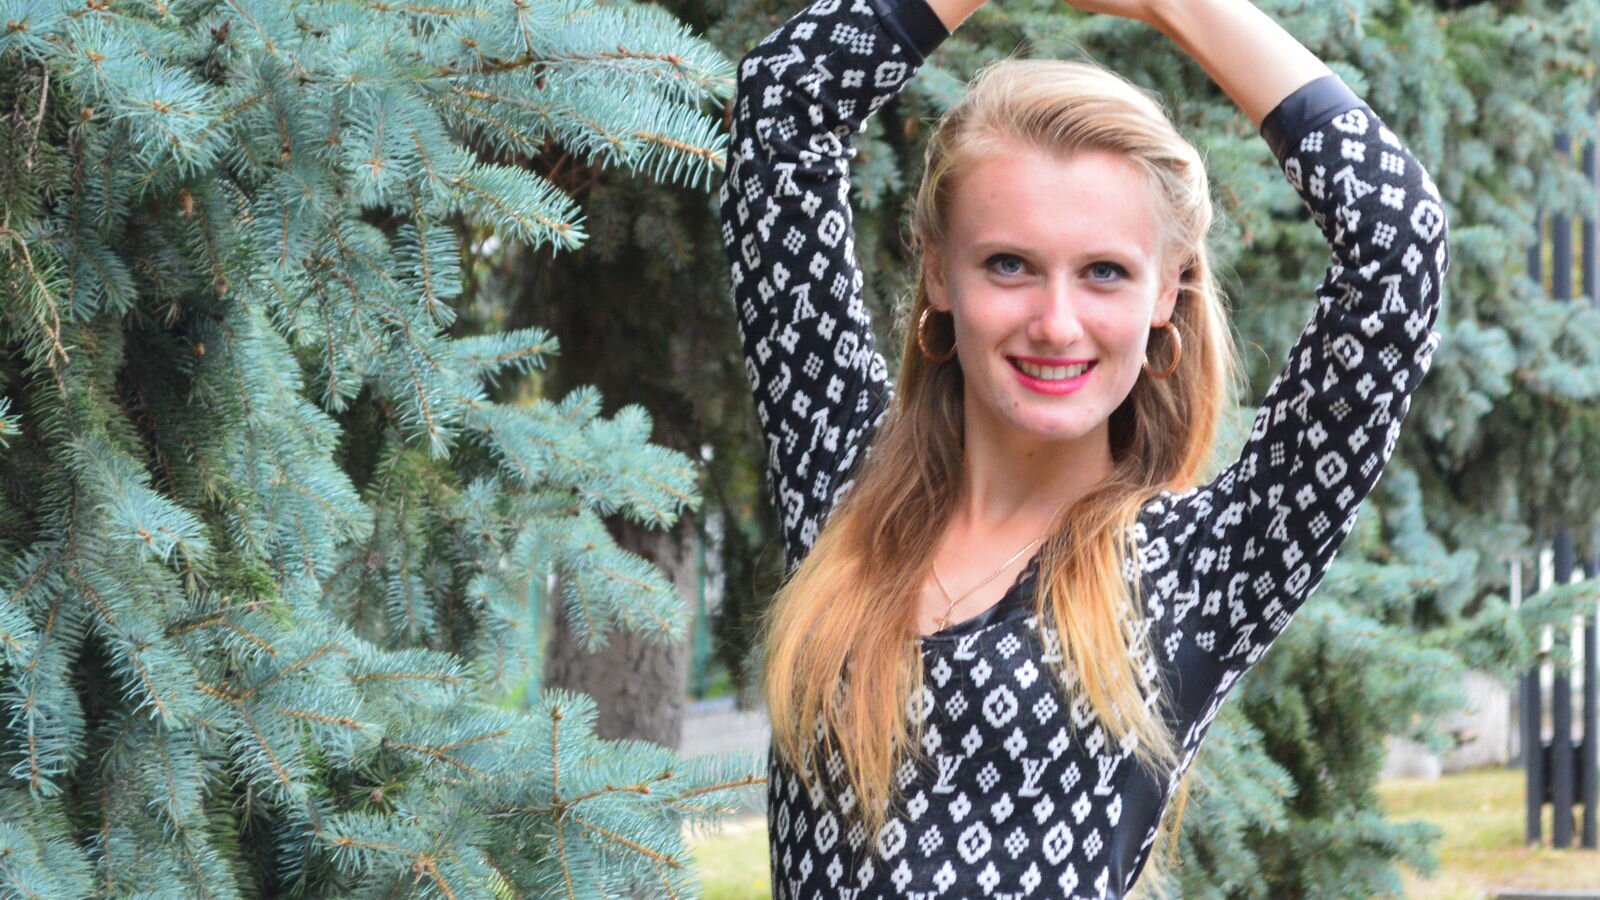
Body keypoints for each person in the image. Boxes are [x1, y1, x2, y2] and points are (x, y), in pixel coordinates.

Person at [717, 0, 1449, 894]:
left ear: (1167, 292)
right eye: (1009, 265)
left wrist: (1182, 6)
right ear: (939, 271)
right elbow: (782, 104)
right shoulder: (842, 479)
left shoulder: (1199, 568)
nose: (1056, 324)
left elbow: (1397, 241)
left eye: (1104, 272)